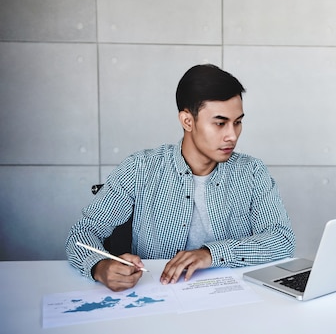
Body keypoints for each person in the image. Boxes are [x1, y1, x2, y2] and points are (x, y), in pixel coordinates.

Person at [66, 64, 296, 292]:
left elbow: (282, 240)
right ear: (187, 121)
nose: (232, 135)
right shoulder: (141, 168)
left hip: (231, 301)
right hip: (158, 297)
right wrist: (100, 267)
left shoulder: (252, 171)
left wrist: (210, 254)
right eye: (220, 123)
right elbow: (82, 234)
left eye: (237, 122)